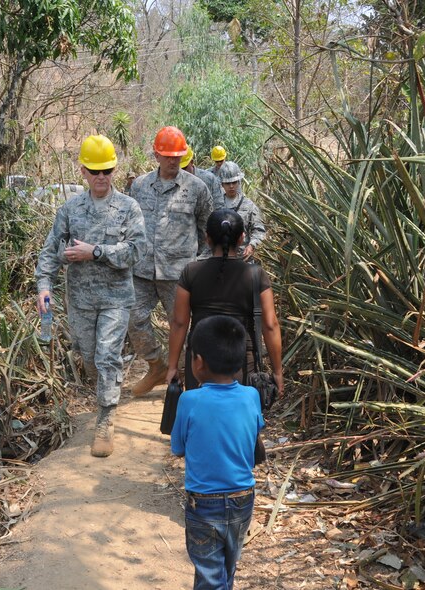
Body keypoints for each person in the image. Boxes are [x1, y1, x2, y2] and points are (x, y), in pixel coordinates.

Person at [35, 134, 146, 457]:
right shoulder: (70, 210)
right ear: (83, 171)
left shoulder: (128, 208)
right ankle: (105, 391)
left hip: (115, 298)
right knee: (87, 356)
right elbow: (49, 252)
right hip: (80, 300)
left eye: (107, 170)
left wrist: (95, 251)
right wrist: (44, 285)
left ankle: (106, 417)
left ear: (114, 170)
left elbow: (137, 251)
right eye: (95, 171)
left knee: (107, 354)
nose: (101, 177)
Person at [171, 315, 264, 590]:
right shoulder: (251, 396)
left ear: (198, 361)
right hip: (243, 498)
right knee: (226, 568)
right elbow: (253, 431)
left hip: (204, 504)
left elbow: (177, 448)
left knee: (210, 575)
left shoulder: (189, 400)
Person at [128, 126, 213, 396]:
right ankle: (157, 366)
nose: (173, 161)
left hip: (179, 273)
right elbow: (129, 224)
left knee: (184, 329)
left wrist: (200, 262)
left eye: (178, 155)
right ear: (156, 155)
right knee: (132, 318)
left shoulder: (196, 188)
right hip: (142, 269)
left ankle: (190, 385)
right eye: (168, 156)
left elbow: (207, 229)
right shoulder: (139, 186)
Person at [165, 208, 283, 393]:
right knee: (239, 416)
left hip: (199, 362)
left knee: (200, 414)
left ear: (207, 238)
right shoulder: (255, 274)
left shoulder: (191, 272)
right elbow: (270, 325)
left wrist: (172, 366)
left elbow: (179, 322)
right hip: (241, 362)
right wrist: (277, 371)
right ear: (242, 238)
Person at [219, 161, 266, 261]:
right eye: (227, 183)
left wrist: (252, 246)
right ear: (222, 184)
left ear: (239, 182)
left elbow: (259, 231)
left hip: (243, 260)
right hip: (222, 260)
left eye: (234, 182)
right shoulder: (216, 205)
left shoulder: (249, 205)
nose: (231, 186)